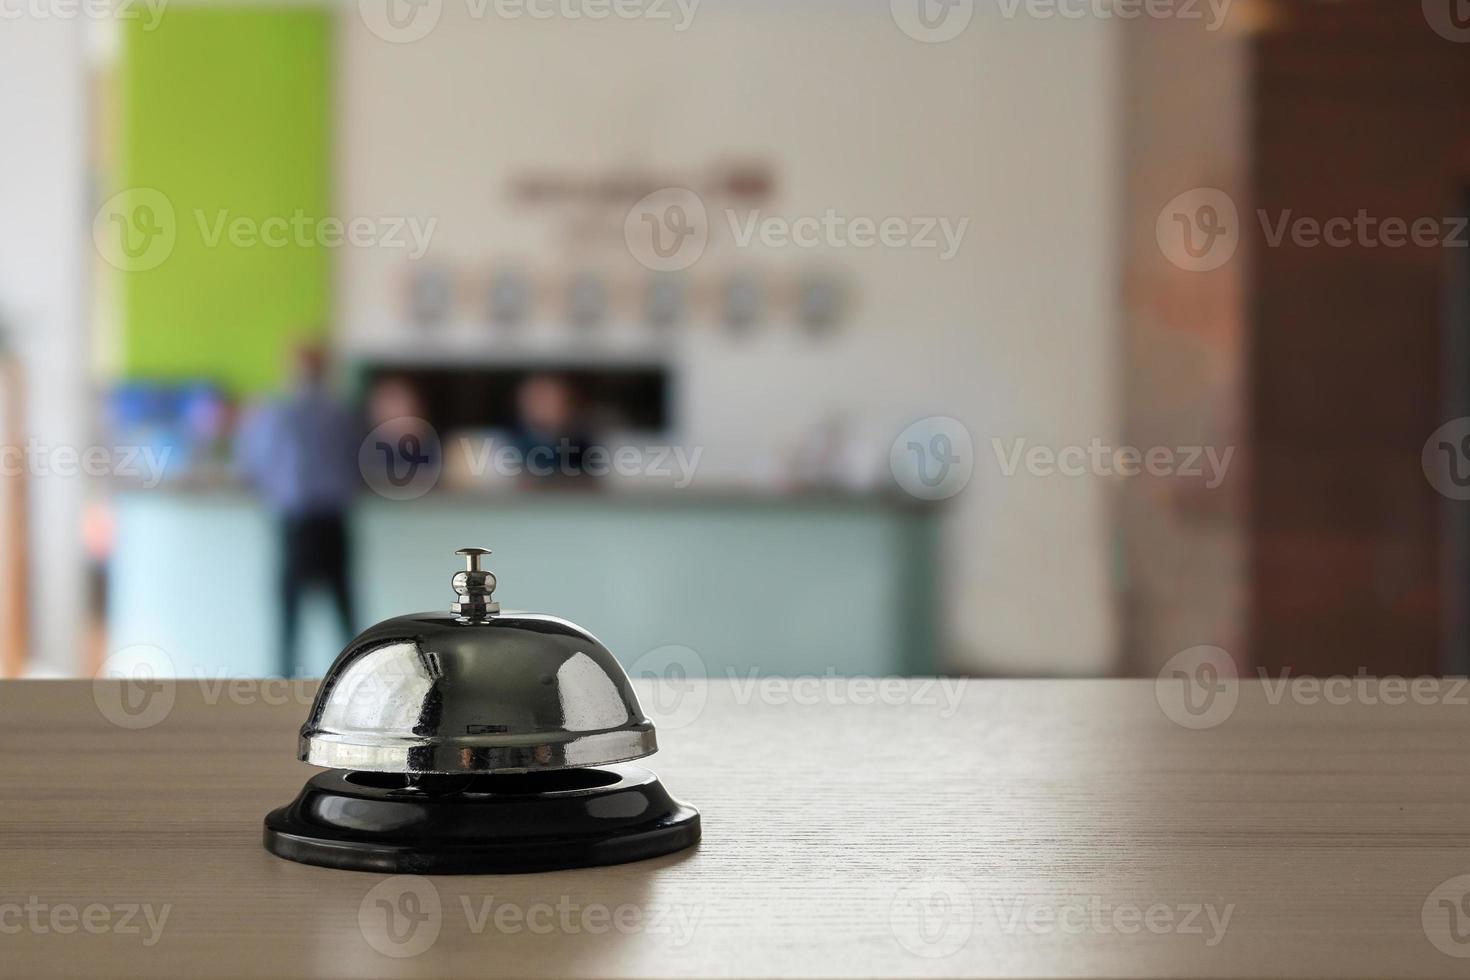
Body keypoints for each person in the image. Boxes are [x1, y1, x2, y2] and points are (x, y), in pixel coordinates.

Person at [235, 344, 360, 677]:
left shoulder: (275, 412)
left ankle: (283, 690)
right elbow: (361, 463)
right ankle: (354, 685)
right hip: (333, 521)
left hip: (295, 522)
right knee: (344, 614)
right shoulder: (342, 413)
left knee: (289, 621)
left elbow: (251, 465)